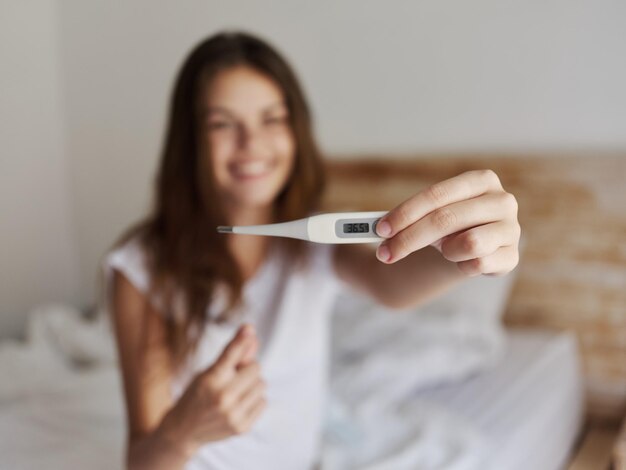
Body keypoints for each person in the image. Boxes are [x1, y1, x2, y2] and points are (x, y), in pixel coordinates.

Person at [105, 31, 521, 470]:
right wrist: (182, 432)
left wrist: (465, 253)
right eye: (222, 124)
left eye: (272, 119)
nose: (252, 144)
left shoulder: (318, 246)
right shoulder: (140, 268)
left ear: (296, 131)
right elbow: (142, 461)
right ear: (189, 141)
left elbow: (392, 284)